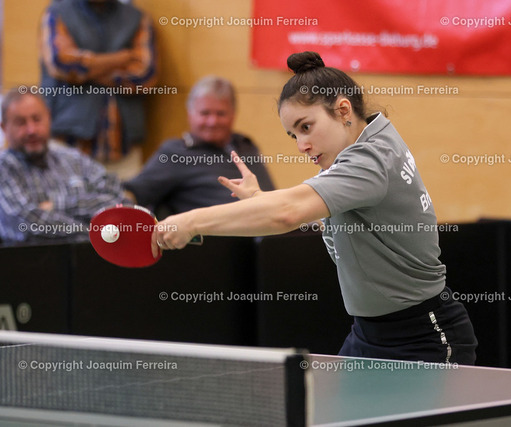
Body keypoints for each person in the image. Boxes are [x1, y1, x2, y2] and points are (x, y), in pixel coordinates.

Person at [152, 52, 477, 364]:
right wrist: (258, 199)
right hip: (368, 334)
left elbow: (287, 213)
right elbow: (296, 207)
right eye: (293, 135)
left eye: (305, 127)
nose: (301, 145)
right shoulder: (361, 145)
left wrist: (191, 222)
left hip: (422, 335)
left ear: (343, 110)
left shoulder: (370, 160)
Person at [124, 75, 275, 215]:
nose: (212, 122)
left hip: (265, 228)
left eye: (221, 114)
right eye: (205, 113)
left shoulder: (245, 145)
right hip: (210, 233)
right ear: (190, 114)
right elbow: (132, 193)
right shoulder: (175, 152)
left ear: (233, 114)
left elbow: (269, 194)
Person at [39, 0, 158, 176]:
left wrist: (86, 71)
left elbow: (144, 75)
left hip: (123, 149)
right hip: (68, 144)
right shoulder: (58, 12)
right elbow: (62, 64)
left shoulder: (136, 17)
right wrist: (120, 59)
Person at [0, 89, 129, 243]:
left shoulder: (74, 159)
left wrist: (56, 205)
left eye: (37, 119)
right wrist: (96, 233)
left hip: (94, 254)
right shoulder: (4, 168)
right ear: (4, 128)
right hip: (34, 257)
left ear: (49, 117)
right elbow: (26, 225)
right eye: (20, 123)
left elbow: (119, 202)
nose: (31, 130)